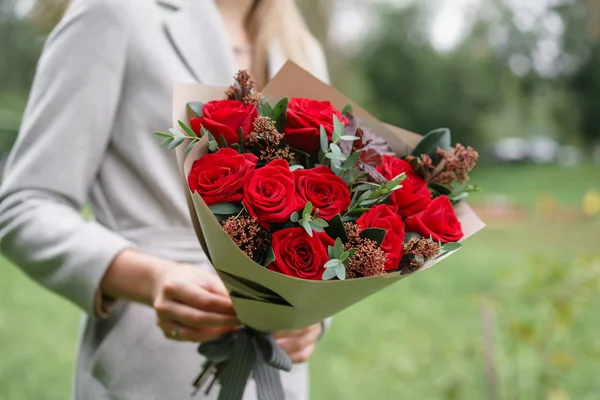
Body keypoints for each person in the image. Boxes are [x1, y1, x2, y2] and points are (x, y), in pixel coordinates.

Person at [0, 0, 330, 398]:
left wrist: (314, 317)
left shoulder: (302, 48)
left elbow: (326, 216)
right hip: (151, 363)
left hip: (277, 371)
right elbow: (26, 204)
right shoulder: (114, 12)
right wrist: (151, 279)